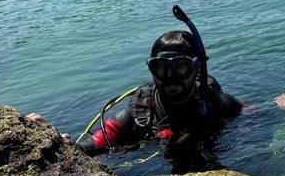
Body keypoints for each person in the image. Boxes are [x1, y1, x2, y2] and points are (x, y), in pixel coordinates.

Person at [77, 29, 242, 162]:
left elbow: (249, 113)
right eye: (161, 68)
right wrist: (71, 147)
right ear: (152, 69)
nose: (171, 77)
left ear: (197, 68)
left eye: (181, 67)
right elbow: (105, 135)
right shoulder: (141, 108)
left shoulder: (216, 102)